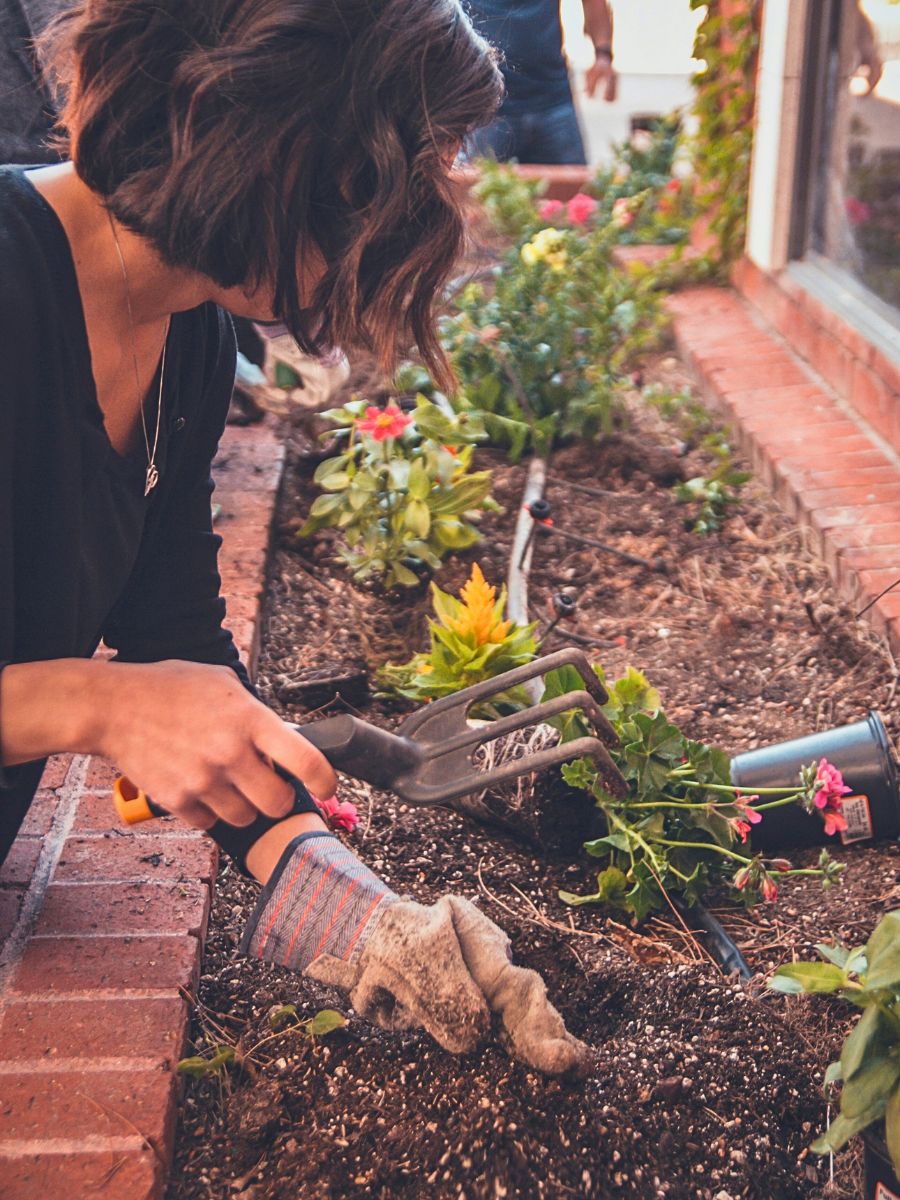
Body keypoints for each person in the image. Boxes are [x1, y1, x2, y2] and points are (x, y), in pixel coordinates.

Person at [0, 0, 589, 1076]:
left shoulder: (190, 340)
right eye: (388, 188)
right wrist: (99, 706)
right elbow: (139, 696)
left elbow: (177, 652)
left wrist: (369, 923)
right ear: (274, 151)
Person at [466, 0, 617, 165]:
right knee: (474, 188)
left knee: (572, 189)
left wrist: (603, 54)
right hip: (484, 105)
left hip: (553, 100)